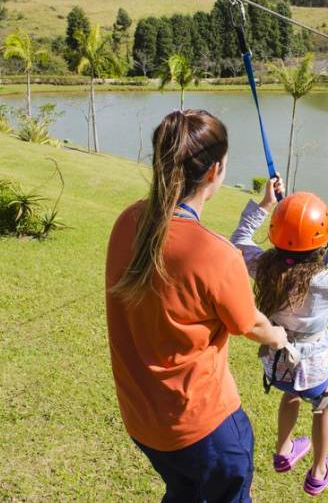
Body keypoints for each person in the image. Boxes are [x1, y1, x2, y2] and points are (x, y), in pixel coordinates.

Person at [105, 109, 288, 502]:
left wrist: (263, 206)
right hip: (204, 429)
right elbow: (250, 324)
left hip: (143, 422)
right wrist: (279, 336)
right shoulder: (215, 253)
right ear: (215, 170)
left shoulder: (127, 221)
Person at [230, 178, 328, 496]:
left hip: (276, 366)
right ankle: (318, 471)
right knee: (322, 406)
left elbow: (238, 241)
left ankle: (283, 450)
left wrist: (265, 205)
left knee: (289, 394)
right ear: (322, 240)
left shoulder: (262, 265)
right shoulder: (326, 281)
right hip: (313, 369)